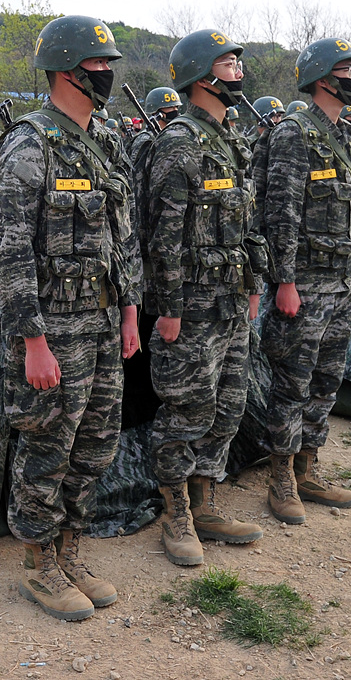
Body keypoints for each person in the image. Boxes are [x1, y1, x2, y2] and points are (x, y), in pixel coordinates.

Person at [0, 15, 141, 622]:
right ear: (65, 69)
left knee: (96, 446)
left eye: (109, 65)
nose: (106, 74)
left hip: (103, 325)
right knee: (47, 446)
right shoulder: (29, 144)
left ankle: (70, 546)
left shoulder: (104, 140)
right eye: (97, 65)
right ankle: (38, 562)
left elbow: (122, 236)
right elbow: (11, 250)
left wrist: (130, 309)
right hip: (53, 328)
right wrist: (33, 340)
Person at [144, 29, 267, 566]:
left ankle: (205, 499)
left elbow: (250, 225)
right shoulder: (178, 142)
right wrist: (167, 309)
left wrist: (254, 284)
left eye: (239, 60)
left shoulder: (230, 140)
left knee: (229, 402)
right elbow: (160, 238)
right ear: (200, 73)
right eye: (227, 61)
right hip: (191, 305)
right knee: (185, 408)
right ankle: (175, 513)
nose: (239, 69)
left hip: (232, 300)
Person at [257, 37, 351, 522]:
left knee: (327, 380)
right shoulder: (294, 133)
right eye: (346, 69)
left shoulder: (349, 136)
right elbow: (279, 213)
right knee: (293, 380)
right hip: (302, 283)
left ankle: (308, 466)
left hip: (341, 282)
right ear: (323, 77)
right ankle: (281, 476)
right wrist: (283, 280)